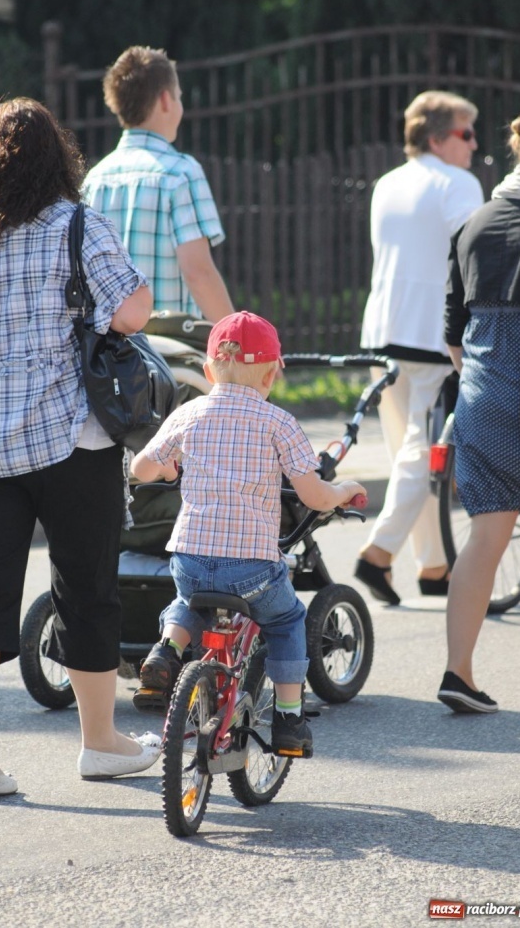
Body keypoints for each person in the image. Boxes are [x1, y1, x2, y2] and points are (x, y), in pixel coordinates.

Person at [0, 98, 161, 797]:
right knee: (84, 585)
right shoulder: (75, 224)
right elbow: (131, 311)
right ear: (56, 155)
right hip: (66, 435)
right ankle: (100, 742)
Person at [130, 311, 366, 755]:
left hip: (190, 560)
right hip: (252, 570)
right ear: (272, 374)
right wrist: (344, 491)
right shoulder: (279, 423)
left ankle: (164, 652)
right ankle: (290, 719)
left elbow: (141, 468)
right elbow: (314, 495)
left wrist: (166, 467)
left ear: (206, 370)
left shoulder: (189, 413)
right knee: (287, 619)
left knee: (187, 602)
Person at [355, 90, 484, 605]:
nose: (474, 145)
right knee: (419, 457)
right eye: (466, 133)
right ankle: (377, 553)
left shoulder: (387, 183)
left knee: (407, 455)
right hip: (432, 334)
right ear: (438, 137)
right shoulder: (458, 184)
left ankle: (433, 566)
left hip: (382, 330)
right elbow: (476, 260)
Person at [438, 111, 520, 714]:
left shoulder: (474, 224)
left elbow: (453, 335)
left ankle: (459, 672)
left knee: (485, 538)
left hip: (482, 394)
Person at [80, 45, 234, 323]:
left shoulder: (94, 180)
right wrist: (239, 339)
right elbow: (198, 273)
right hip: (169, 351)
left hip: (110, 356)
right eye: (179, 97)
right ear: (165, 100)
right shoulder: (180, 174)